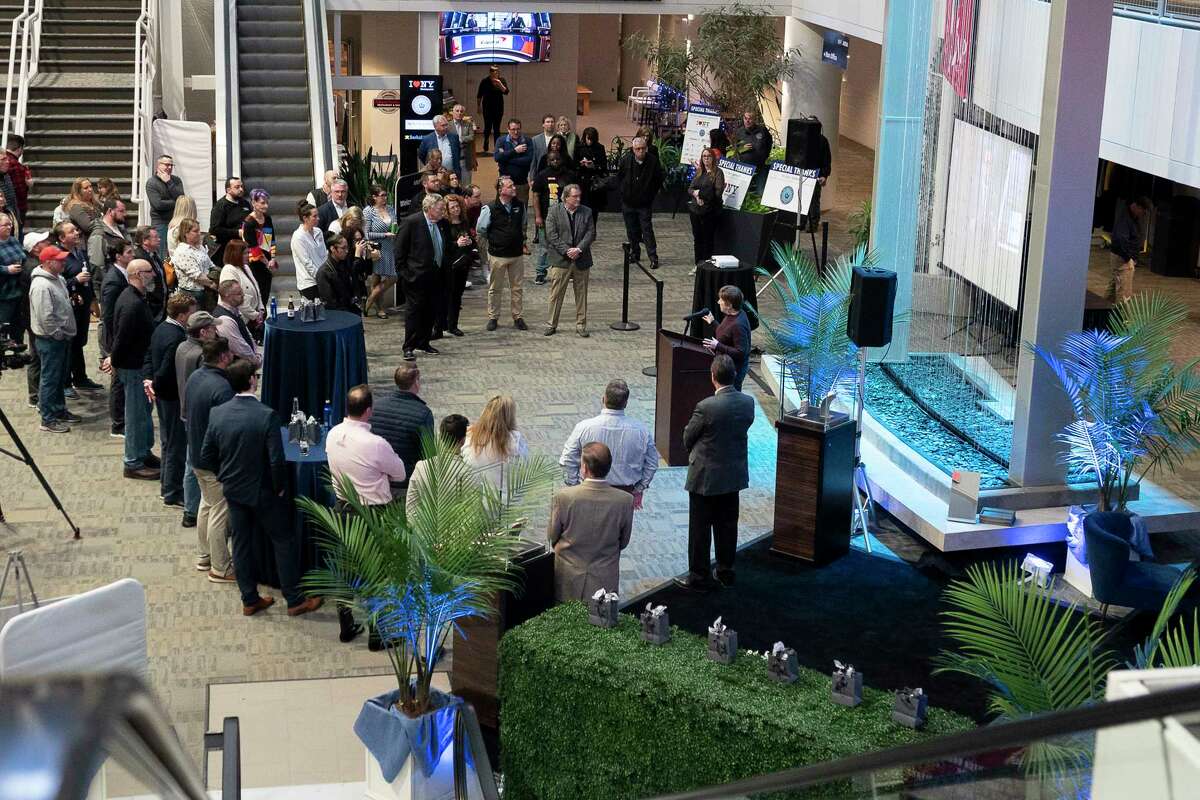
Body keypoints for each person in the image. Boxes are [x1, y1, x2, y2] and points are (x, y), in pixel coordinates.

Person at [200, 359, 323, 617]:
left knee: (241, 545)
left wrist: (224, 476)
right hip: (265, 492)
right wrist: (279, 488)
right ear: (252, 381)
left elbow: (206, 455)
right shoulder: (266, 415)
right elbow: (276, 460)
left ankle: (249, 599)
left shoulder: (217, 413)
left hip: (234, 491)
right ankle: (294, 599)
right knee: (283, 541)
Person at [675, 354, 755, 591]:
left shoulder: (706, 406)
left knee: (700, 527)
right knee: (728, 525)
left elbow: (688, 437)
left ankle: (699, 575)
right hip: (733, 475)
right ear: (733, 376)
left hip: (705, 478)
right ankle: (725, 570)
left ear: (713, 377)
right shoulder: (748, 402)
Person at [547, 442, 634, 602]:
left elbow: (552, 536)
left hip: (568, 574)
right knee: (601, 621)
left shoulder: (564, 497)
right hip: (605, 575)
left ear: (585, 468)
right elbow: (624, 541)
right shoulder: (625, 500)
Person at [559, 378, 658, 506]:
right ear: (626, 403)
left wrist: (575, 486)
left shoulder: (584, 428)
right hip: (624, 495)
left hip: (589, 492)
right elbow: (652, 463)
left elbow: (567, 459)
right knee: (620, 526)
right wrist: (639, 488)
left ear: (603, 399)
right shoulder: (641, 431)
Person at [103, 258, 160, 480]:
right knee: (136, 416)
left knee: (144, 414)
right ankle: (133, 462)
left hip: (139, 365)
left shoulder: (135, 297)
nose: (153, 275)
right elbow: (122, 337)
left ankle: (143, 453)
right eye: (149, 271)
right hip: (132, 366)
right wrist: (113, 360)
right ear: (137, 275)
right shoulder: (131, 303)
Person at [185, 336, 235, 581]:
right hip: (214, 461)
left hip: (195, 454)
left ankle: (204, 556)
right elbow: (225, 430)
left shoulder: (195, 377)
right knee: (220, 511)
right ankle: (221, 567)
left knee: (207, 504)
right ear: (224, 357)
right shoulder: (222, 388)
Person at [145, 292, 195, 507]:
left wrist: (148, 380)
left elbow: (148, 355)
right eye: (192, 313)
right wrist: (155, 383)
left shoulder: (161, 328)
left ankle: (166, 485)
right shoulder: (176, 337)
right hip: (172, 397)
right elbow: (166, 371)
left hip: (163, 396)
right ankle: (173, 492)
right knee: (175, 444)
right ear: (183, 316)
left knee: (167, 442)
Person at [327, 384, 408, 506]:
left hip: (343, 509)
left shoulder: (332, 434)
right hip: (373, 515)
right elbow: (400, 475)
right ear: (369, 411)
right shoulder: (377, 444)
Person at [28, 245, 78, 434]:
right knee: (50, 379)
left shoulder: (58, 278)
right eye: (60, 260)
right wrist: (58, 334)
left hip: (61, 337)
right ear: (48, 263)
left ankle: (58, 410)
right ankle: (48, 418)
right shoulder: (41, 286)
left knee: (58, 378)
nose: (64, 262)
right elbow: (45, 317)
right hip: (51, 340)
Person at [176, 310, 217, 530]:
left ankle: (190, 509)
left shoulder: (182, 347)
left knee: (190, 461)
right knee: (196, 464)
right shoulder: (200, 355)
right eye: (212, 328)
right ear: (203, 332)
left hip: (185, 411)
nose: (216, 332)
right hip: (198, 416)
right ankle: (193, 510)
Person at [396, 194, 449, 361]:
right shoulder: (412, 222)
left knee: (431, 311)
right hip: (415, 278)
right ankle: (409, 346)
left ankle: (424, 342)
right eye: (440, 209)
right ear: (429, 208)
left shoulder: (441, 224)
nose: (443, 212)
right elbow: (399, 251)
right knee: (414, 312)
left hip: (436, 277)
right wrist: (405, 274)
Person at [371, 362, 434, 496]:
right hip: (407, 481)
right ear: (416, 383)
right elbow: (428, 454)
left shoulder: (376, 406)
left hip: (378, 477)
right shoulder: (423, 413)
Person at [477, 176, 528, 332]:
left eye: (513, 185)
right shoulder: (490, 208)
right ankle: (493, 317)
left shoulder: (520, 205)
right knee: (495, 288)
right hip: (498, 255)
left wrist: (522, 240)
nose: (514, 188)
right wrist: (495, 239)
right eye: (510, 186)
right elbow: (481, 229)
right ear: (501, 190)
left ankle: (517, 316)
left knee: (517, 288)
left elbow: (523, 224)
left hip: (516, 255)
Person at [54, 222, 101, 392]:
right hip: (68, 307)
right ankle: (66, 382)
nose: (76, 233)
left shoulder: (80, 252)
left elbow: (88, 279)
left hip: (83, 304)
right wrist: (75, 280)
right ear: (61, 238)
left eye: (76, 230)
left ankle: (80, 378)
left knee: (79, 342)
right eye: (71, 231)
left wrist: (93, 301)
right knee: (69, 344)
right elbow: (55, 284)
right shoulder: (58, 256)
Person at [543, 183, 595, 338]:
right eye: (575, 196)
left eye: (579, 195)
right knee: (556, 294)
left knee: (582, 294)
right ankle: (551, 324)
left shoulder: (587, 212)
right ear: (566, 197)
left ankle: (581, 325)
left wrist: (578, 249)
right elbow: (551, 235)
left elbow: (590, 233)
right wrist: (566, 250)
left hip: (581, 258)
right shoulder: (553, 211)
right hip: (560, 259)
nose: (578, 199)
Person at [462, 394, 528, 495]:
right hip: (505, 499)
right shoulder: (515, 441)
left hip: (473, 497)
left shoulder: (469, 435)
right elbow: (524, 469)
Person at [405, 413, 468, 517]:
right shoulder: (467, 472)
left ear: (441, 437)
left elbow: (411, 506)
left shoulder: (421, 466)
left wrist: (418, 530)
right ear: (463, 440)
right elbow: (470, 513)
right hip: (455, 532)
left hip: (424, 530)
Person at [101, 240, 134, 436]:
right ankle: (118, 423)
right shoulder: (113, 280)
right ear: (118, 256)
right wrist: (113, 347)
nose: (132, 256)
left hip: (123, 335)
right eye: (129, 253)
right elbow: (109, 315)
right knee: (118, 381)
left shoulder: (122, 275)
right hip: (116, 337)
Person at [530, 151, 576, 286]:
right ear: (548, 161)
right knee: (544, 246)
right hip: (546, 216)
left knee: (567, 243)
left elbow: (575, 194)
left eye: (558, 159)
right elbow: (536, 196)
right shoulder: (542, 175)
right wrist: (538, 216)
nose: (555, 161)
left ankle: (568, 271)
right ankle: (540, 272)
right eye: (552, 160)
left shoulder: (569, 175)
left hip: (566, 216)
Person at [617, 136, 664, 269]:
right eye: (638, 149)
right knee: (631, 230)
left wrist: (650, 195)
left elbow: (658, 179)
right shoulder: (626, 160)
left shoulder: (653, 161)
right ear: (633, 149)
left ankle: (653, 257)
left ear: (647, 148)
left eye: (643, 148)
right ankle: (635, 252)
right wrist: (624, 193)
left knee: (647, 230)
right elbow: (619, 177)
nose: (641, 151)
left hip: (644, 203)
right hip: (628, 202)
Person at [702, 285, 752, 391]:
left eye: (721, 300)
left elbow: (741, 352)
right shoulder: (734, 314)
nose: (718, 302)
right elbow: (726, 333)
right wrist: (713, 322)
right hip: (726, 364)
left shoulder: (738, 325)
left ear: (729, 305)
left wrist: (717, 346)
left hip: (734, 371)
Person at [441, 194, 475, 338]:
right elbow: (443, 244)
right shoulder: (444, 224)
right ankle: (443, 322)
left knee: (457, 295)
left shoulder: (464, 222)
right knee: (447, 294)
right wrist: (457, 244)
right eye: (452, 207)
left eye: (457, 206)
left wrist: (470, 242)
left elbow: (471, 238)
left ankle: (453, 325)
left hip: (463, 263)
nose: (456, 210)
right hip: (449, 264)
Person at [362, 184, 398, 319]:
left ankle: (371, 299)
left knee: (390, 277)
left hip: (391, 246)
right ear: (374, 197)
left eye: (385, 195)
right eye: (381, 195)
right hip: (377, 247)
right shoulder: (368, 211)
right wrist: (384, 235)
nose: (384, 198)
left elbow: (394, 224)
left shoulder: (390, 209)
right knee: (381, 277)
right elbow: (366, 234)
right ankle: (377, 305)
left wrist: (394, 232)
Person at [1109, 196, 1151, 304]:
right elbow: (1120, 239)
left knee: (1114, 289)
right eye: (1143, 211)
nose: (1143, 214)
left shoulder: (1131, 217)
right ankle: (1122, 320)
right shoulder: (1125, 219)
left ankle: (1104, 313)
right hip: (1123, 259)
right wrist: (1129, 258)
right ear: (1136, 206)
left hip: (1122, 257)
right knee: (1124, 293)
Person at [688, 149, 726, 266]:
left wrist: (701, 195)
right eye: (704, 156)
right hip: (696, 210)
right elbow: (690, 188)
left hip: (710, 211)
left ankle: (706, 265)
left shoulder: (718, 173)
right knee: (697, 239)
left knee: (707, 239)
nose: (706, 158)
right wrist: (695, 194)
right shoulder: (700, 172)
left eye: (708, 156)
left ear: (713, 158)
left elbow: (717, 193)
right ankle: (697, 264)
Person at [171, 218, 218, 307]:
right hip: (192, 294)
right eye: (195, 231)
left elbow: (211, 265)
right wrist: (213, 284)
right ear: (186, 233)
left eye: (199, 230)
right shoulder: (182, 251)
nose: (199, 233)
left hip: (206, 290)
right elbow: (197, 276)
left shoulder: (200, 247)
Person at [219, 240, 264, 333]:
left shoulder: (246, 267)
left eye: (248, 252)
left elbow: (256, 288)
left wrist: (261, 309)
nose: (248, 255)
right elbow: (235, 298)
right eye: (244, 253)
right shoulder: (228, 270)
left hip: (252, 316)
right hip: (239, 318)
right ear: (235, 254)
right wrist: (255, 315)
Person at [212, 279, 260, 366]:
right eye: (239, 294)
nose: (243, 295)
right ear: (227, 295)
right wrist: (256, 361)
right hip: (237, 370)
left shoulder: (235, 311)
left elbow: (247, 335)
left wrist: (256, 352)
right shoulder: (224, 320)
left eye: (242, 292)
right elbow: (239, 348)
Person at [241, 188, 277, 303]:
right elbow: (254, 248)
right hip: (254, 264)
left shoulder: (267, 218)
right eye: (262, 203)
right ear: (253, 203)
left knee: (265, 296)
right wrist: (267, 263)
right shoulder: (248, 222)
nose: (266, 206)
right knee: (257, 297)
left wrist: (273, 259)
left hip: (267, 262)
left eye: (267, 203)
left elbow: (271, 240)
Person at [146, 155, 185, 257]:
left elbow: (182, 199)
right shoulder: (151, 183)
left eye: (171, 165)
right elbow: (158, 205)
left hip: (176, 221)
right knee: (162, 254)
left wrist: (169, 182)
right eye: (167, 165)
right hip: (160, 222)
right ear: (158, 165)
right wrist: (175, 202)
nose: (170, 167)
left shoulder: (176, 180)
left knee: (177, 253)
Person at [315, 235, 361, 314]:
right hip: (338, 314)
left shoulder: (344, 263)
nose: (346, 251)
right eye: (343, 248)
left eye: (347, 247)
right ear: (333, 249)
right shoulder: (324, 272)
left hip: (350, 308)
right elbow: (330, 302)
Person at [290, 201, 326, 301]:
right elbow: (306, 262)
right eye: (314, 216)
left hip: (323, 278)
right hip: (308, 283)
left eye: (317, 215)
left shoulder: (318, 231)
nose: (318, 218)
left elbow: (324, 255)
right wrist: (320, 278)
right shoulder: (298, 237)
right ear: (305, 218)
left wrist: (326, 274)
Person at [132, 226, 168, 324]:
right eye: (155, 237)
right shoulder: (139, 258)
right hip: (151, 308)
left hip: (160, 306)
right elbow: (143, 285)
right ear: (145, 240)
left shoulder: (154, 255)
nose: (159, 239)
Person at [209, 177, 250, 260]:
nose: (241, 189)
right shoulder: (220, 206)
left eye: (241, 186)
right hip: (227, 250)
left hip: (244, 248)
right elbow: (214, 229)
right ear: (228, 190)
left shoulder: (245, 203)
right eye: (237, 187)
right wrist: (236, 232)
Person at [494, 119, 533, 204]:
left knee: (521, 210)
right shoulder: (501, 141)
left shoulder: (527, 141)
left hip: (521, 183)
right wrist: (515, 151)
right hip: (505, 183)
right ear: (508, 129)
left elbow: (528, 160)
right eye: (513, 129)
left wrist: (507, 159)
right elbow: (497, 157)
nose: (516, 132)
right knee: (503, 209)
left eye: (518, 129)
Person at [734, 111, 772, 195]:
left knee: (761, 192)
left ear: (754, 119)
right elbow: (734, 148)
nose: (747, 121)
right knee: (744, 193)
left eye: (750, 119)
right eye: (745, 118)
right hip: (745, 167)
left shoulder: (762, 130)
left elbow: (769, 142)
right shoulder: (739, 132)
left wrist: (766, 155)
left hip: (760, 166)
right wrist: (742, 148)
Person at [86, 197, 129, 270]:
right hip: (112, 278)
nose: (125, 214)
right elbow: (97, 265)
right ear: (110, 211)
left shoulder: (122, 230)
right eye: (121, 211)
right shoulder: (98, 233)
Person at [576, 127, 608, 219]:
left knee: (593, 211)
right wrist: (581, 164)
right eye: (588, 139)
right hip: (582, 182)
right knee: (581, 210)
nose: (589, 141)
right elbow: (574, 163)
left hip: (594, 184)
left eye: (592, 139)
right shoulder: (579, 147)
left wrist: (594, 166)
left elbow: (603, 166)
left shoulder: (599, 148)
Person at [476, 65, 509, 152]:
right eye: (493, 71)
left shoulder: (502, 80)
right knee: (487, 127)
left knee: (497, 128)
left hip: (498, 108)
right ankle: (486, 141)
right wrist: (478, 106)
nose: (495, 73)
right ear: (490, 72)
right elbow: (479, 95)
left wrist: (499, 83)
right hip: (487, 108)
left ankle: (497, 147)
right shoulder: (485, 81)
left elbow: (506, 92)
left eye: (497, 71)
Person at [0, 212, 25, 326]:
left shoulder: (13, 240)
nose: (9, 227)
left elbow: (22, 257)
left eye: (10, 224)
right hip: (4, 294)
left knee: (18, 327)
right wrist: (6, 269)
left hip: (19, 290)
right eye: (5, 225)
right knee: (4, 327)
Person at [2, 135, 32, 226]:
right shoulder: (17, 166)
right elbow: (20, 192)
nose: (7, 162)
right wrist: (28, 184)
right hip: (14, 209)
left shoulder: (10, 165)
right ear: (20, 148)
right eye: (3, 160)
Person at [526, 114, 557, 186]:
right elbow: (533, 161)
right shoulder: (535, 140)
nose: (550, 124)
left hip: (555, 175)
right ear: (543, 124)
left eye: (552, 122)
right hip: (540, 174)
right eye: (548, 122)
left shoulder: (559, 138)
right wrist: (532, 178)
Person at [449, 103, 476, 185]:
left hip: (465, 158)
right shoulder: (448, 125)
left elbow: (471, 137)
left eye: (461, 111)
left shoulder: (468, 124)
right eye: (457, 111)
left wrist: (460, 139)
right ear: (452, 113)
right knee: (453, 183)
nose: (459, 113)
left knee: (466, 183)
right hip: (452, 158)